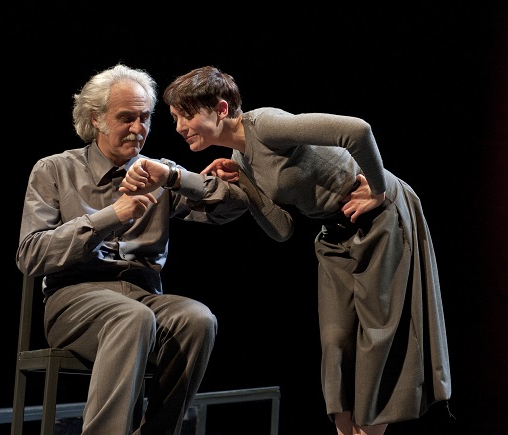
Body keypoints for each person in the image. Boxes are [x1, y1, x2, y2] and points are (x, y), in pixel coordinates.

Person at [121, 66, 452, 435]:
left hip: (382, 219)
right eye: (175, 119)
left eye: (187, 115)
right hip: (336, 235)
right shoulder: (242, 158)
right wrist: (246, 184)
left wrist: (377, 190)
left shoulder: (266, 125)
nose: (180, 127)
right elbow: (282, 230)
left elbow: (357, 130)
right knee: (336, 341)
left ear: (222, 109)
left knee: (377, 336)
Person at [15, 64, 249, 435]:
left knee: (197, 319)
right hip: (75, 302)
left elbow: (233, 208)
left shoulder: (158, 172)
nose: (138, 129)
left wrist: (177, 177)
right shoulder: (55, 170)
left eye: (145, 118)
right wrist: (111, 216)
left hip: (143, 296)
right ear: (96, 118)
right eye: (127, 118)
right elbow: (31, 255)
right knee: (132, 318)